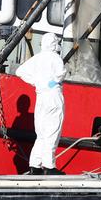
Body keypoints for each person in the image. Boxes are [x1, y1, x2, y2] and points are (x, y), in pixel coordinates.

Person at [15, 33, 66, 175]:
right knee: (52, 130)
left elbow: (20, 71)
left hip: (41, 97)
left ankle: (34, 164)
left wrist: (36, 81)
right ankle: (49, 166)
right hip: (53, 96)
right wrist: (52, 82)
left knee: (41, 133)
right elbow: (61, 74)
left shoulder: (36, 58)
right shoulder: (56, 58)